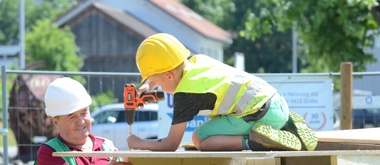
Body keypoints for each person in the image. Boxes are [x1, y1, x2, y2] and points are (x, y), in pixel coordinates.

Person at [127, 33, 317, 152]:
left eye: (157, 83)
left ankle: (256, 142)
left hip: (258, 115)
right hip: (277, 104)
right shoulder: (197, 62)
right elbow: (166, 71)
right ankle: (287, 126)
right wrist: (147, 86)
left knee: (200, 138)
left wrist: (139, 143)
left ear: (168, 75)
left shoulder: (185, 95)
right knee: (219, 126)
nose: (157, 87)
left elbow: (170, 144)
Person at [31, 77, 133, 165]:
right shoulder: (50, 153)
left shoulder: (107, 146)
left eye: (84, 113)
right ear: (56, 122)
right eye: (71, 116)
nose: (81, 121)